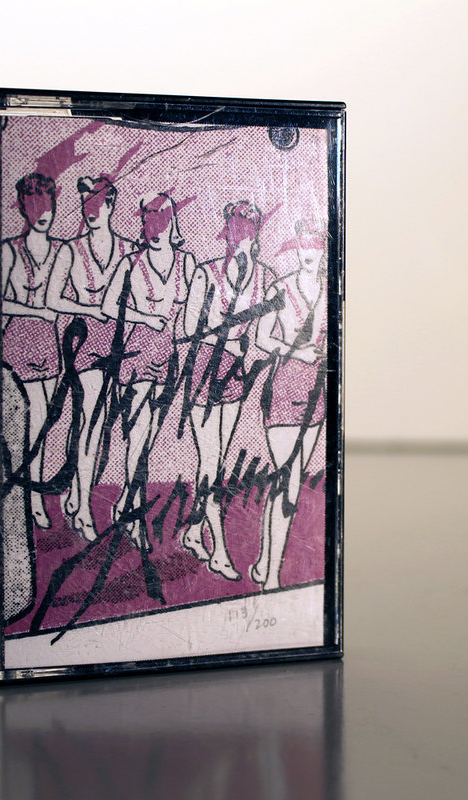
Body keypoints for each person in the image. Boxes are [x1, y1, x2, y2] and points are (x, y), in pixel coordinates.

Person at [180, 200, 275, 581]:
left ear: (255, 235)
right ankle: (219, 549)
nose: (240, 239)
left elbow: (263, 335)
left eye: (247, 232)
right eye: (235, 231)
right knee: (210, 461)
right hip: (205, 368)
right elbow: (188, 327)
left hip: (235, 372)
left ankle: (192, 531)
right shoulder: (205, 273)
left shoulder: (264, 277)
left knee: (216, 461)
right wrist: (226, 334)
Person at [46, 176, 137, 541]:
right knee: (91, 423)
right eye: (85, 204)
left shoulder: (129, 250)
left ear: (110, 204)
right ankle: (83, 506)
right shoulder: (71, 250)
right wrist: (89, 309)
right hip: (86, 343)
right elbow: (53, 299)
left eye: (96, 204)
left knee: (105, 426)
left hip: (120, 345)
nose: (90, 211)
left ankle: (76, 494)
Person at [102, 193, 194, 547]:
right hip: (137, 355)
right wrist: (144, 318)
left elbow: (193, 308)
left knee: (149, 437)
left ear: (172, 224)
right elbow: (109, 305)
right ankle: (134, 515)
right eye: (148, 224)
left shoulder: (186, 263)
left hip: (170, 357)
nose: (154, 231)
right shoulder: (131, 262)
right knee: (138, 434)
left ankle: (125, 502)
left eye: (161, 224)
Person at [252, 221, 328, 590]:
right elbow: (261, 337)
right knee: (288, 485)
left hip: (316, 395)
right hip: (283, 392)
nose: (308, 253)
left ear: (323, 249)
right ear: (296, 248)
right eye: (303, 245)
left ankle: (265, 562)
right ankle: (270, 578)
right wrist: (296, 352)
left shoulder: (332, 289)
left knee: (288, 485)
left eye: (315, 245)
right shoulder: (280, 289)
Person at [0, 173, 70, 529]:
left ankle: (35, 495)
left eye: (48, 205)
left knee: (44, 425)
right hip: (18, 342)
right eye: (35, 206)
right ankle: (31, 499)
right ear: (24, 209)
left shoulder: (61, 250)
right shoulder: (9, 249)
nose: (43, 214)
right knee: (32, 420)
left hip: (48, 344)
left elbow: (56, 299)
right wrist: (38, 311)